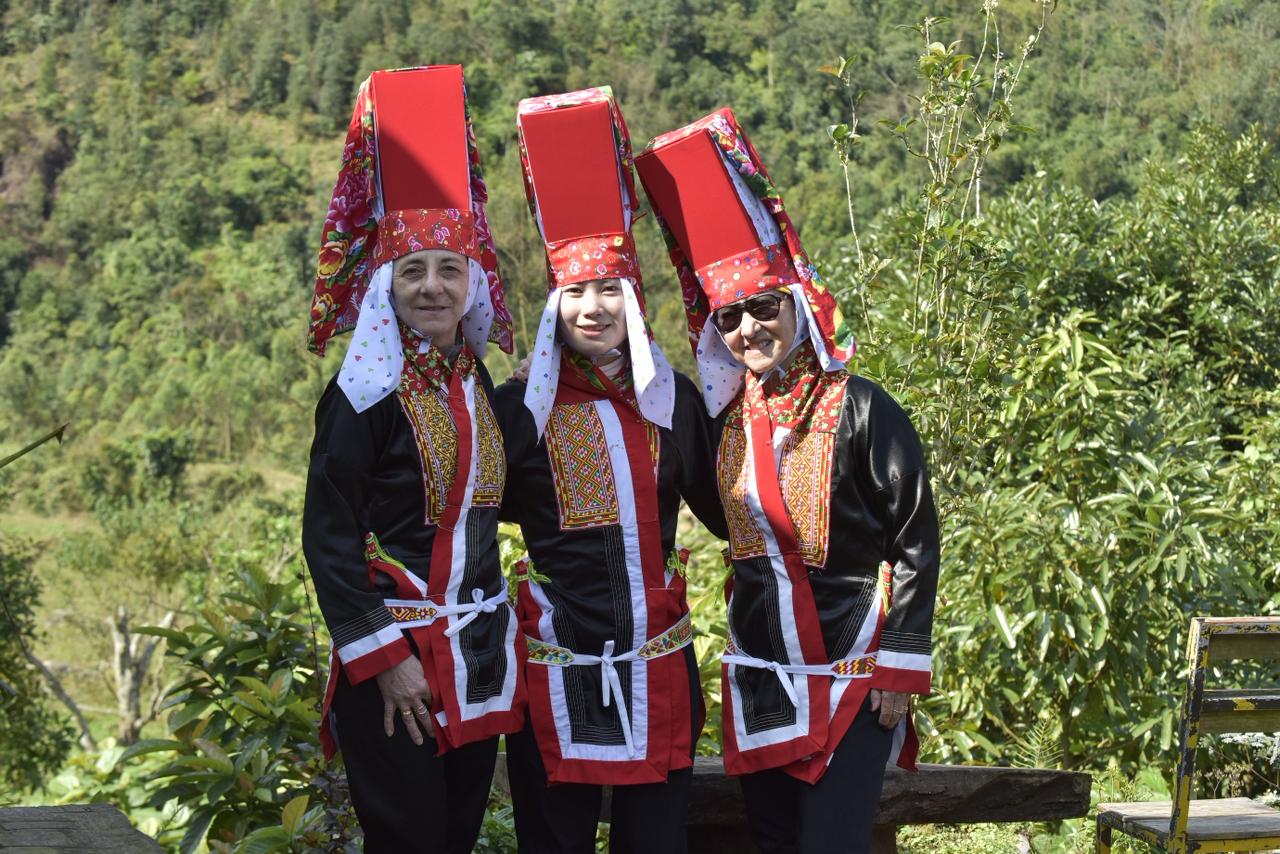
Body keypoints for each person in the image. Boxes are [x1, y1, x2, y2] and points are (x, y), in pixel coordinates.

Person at [636, 108, 940, 854]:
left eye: (763, 307)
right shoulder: (727, 422)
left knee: (832, 842)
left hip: (854, 669)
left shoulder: (862, 406)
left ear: (798, 304)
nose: (748, 329)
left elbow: (916, 536)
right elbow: (714, 511)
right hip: (761, 672)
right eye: (729, 317)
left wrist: (901, 662)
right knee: (771, 841)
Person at [493, 87, 728, 854]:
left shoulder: (672, 400)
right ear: (552, 305)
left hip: (659, 664)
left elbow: (733, 513)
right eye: (575, 292)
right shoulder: (519, 408)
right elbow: (461, 515)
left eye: (609, 290)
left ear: (634, 299)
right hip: (554, 666)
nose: (592, 308)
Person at [302, 65, 525, 853]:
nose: (432, 288)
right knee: (409, 839)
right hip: (395, 667)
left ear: (472, 284)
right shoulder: (362, 394)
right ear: (386, 287)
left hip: (474, 657)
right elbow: (328, 536)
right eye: (412, 271)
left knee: (455, 837)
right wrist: (384, 660)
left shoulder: (475, 381)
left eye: (448, 269)